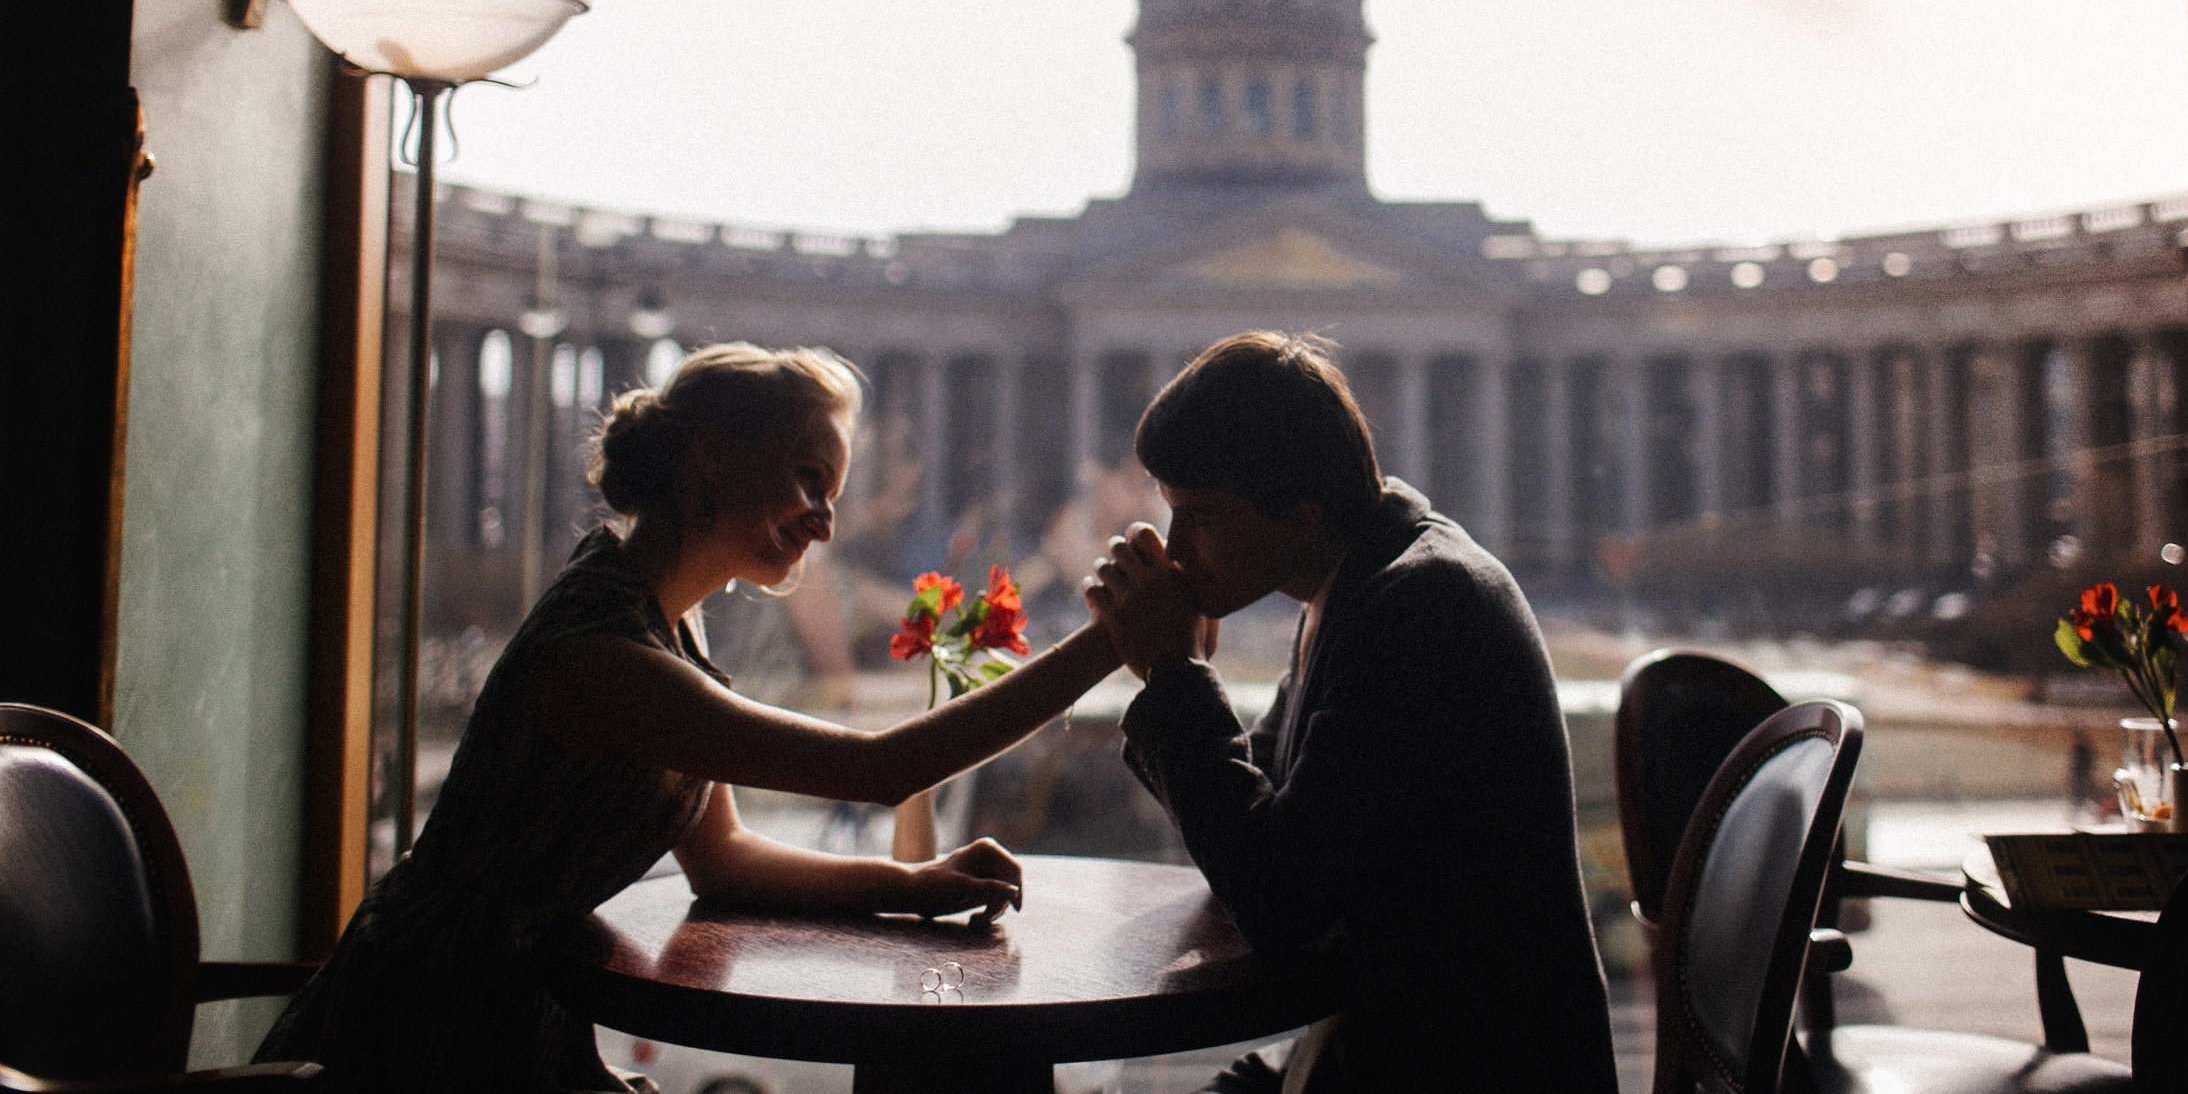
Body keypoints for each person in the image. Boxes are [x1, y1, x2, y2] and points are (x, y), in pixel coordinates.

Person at [262, 343, 1122, 1093]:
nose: (825, 521)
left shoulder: (658, 614)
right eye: (810, 478)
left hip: (505, 1000)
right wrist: (1112, 639)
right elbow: (876, 769)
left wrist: (910, 886)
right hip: (431, 1021)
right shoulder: (603, 651)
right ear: (712, 459)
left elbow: (724, 858)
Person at [1085, 332, 1616, 1094]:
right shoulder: (1364, 579)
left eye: (1201, 516)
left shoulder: (1419, 607)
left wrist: (1173, 672)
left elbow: (1278, 898)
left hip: (1459, 1067)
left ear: (1300, 515)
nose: (1175, 549)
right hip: (1394, 1044)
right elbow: (1260, 819)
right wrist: (1178, 666)